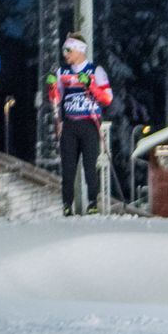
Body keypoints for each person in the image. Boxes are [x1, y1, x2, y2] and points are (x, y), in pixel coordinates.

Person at [47, 36, 113, 216]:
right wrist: (52, 87)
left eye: (68, 50)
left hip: (90, 123)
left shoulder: (96, 71)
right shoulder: (62, 72)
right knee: (68, 168)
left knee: (90, 166)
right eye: (64, 50)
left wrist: (90, 85)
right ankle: (66, 205)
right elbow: (55, 99)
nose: (65, 54)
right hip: (70, 124)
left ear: (79, 50)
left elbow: (107, 98)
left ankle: (92, 203)